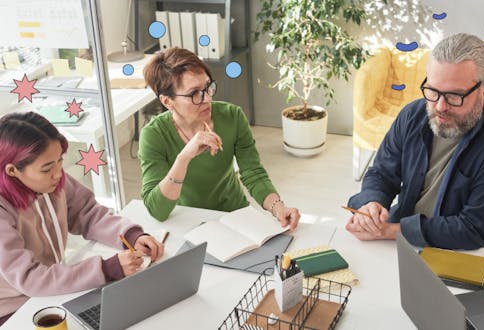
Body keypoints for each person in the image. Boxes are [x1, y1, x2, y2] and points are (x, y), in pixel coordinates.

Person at [0, 112, 164, 325]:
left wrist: (132, 236)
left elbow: (88, 214)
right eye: (47, 168)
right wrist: (106, 269)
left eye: (60, 161)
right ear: (12, 170)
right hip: (13, 310)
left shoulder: (52, 181)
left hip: (52, 292)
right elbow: (30, 278)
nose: (58, 173)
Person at [346, 33, 484, 250]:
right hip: (400, 237)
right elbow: (382, 173)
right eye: (433, 91)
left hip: (458, 253)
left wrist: (390, 231)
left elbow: (474, 229)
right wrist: (372, 204)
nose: (440, 106)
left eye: (455, 96)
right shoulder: (413, 114)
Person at [140, 47, 300, 228]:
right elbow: (157, 210)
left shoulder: (232, 116)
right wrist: (184, 157)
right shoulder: (154, 135)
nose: (207, 98)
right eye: (194, 94)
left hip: (234, 214)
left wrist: (278, 208)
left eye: (208, 87)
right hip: (189, 221)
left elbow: (253, 173)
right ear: (167, 101)